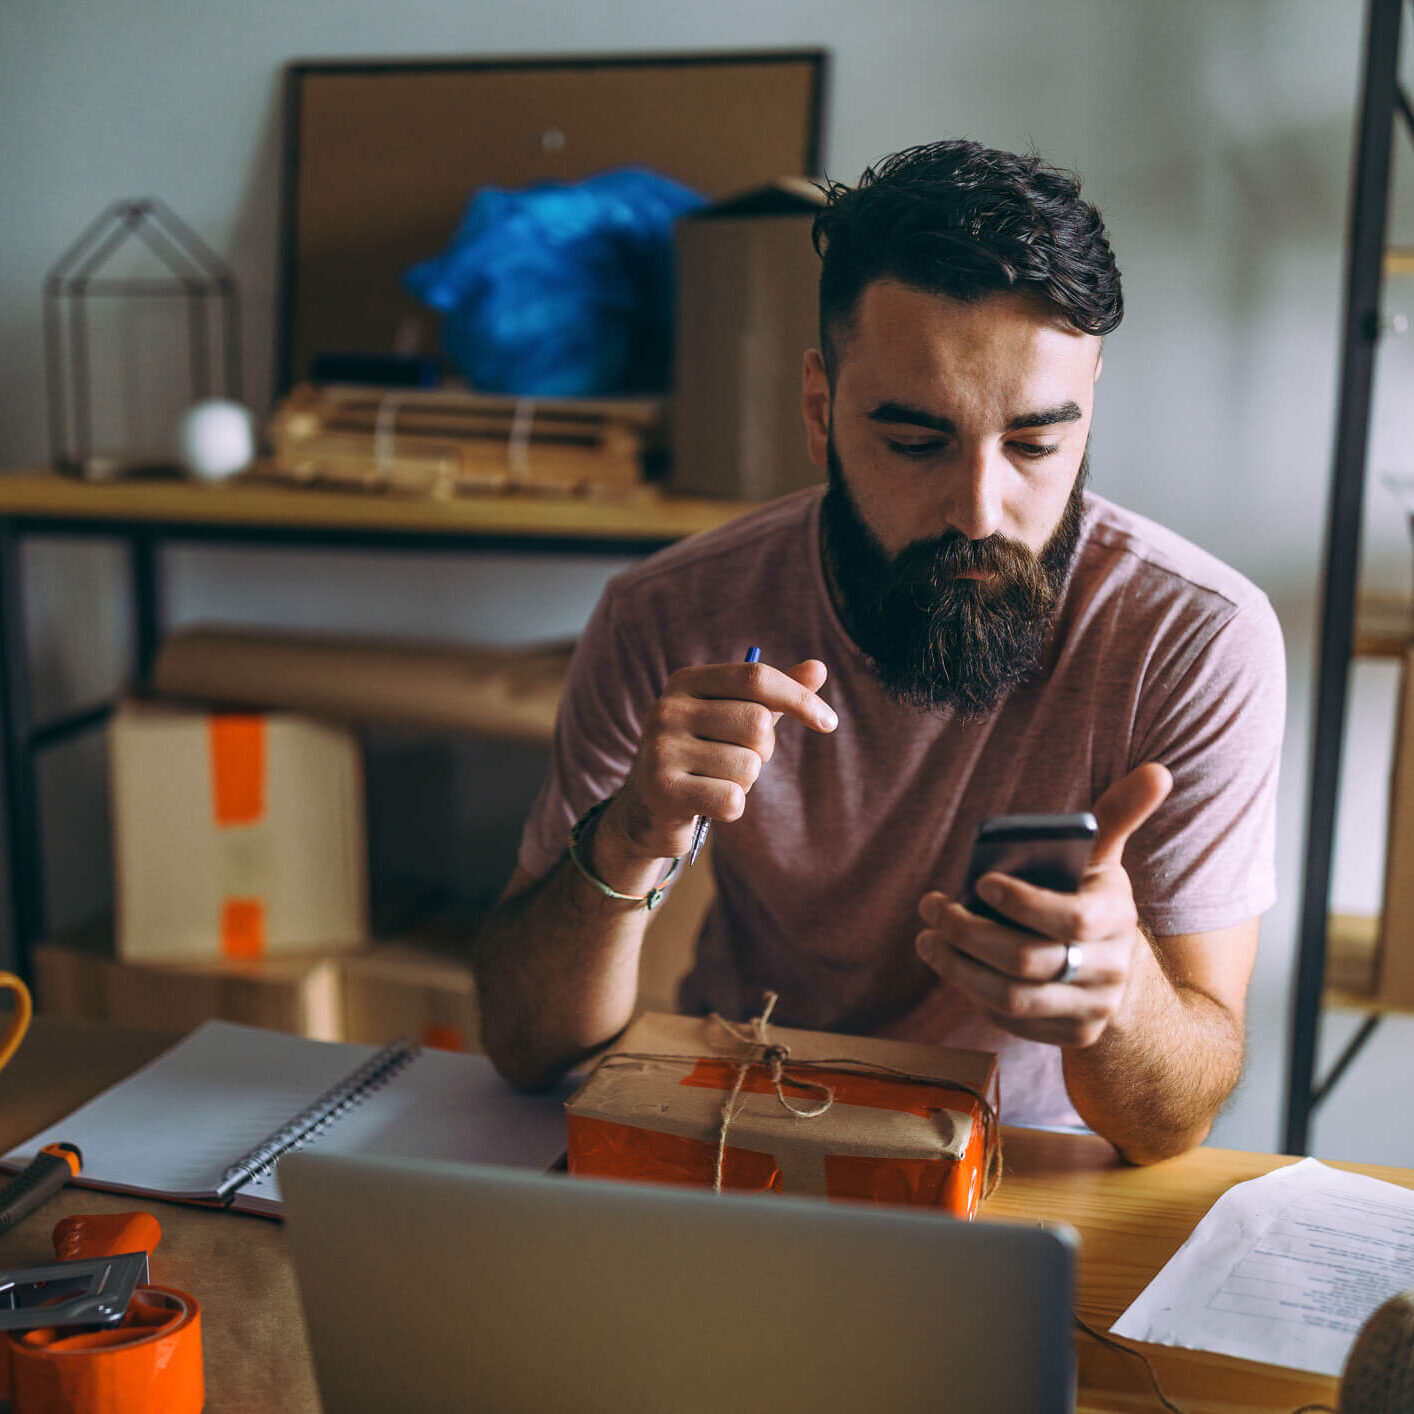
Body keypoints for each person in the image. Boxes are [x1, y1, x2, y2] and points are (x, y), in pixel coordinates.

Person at [473, 139, 1284, 1164]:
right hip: (741, 1130)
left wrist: (1122, 997)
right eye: (916, 442)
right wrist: (628, 832)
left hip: (1028, 1160)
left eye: (1036, 444)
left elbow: (1170, 1125)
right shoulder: (668, 613)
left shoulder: (1195, 636)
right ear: (820, 407)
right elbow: (527, 1048)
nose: (979, 511)